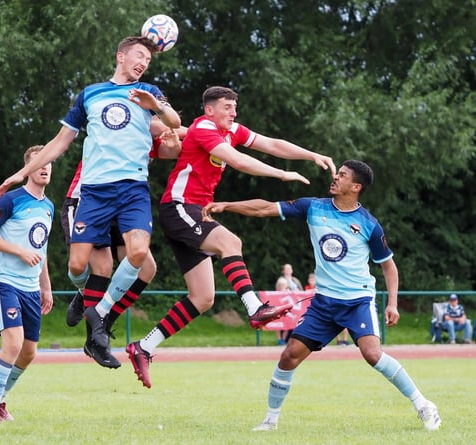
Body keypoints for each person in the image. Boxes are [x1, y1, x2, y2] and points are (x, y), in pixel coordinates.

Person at [202, 159, 441, 432]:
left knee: (372, 354)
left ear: (356, 186)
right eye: (337, 173)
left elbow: (388, 265)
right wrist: (227, 206)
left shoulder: (369, 225)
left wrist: (394, 304)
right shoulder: (313, 207)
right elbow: (265, 208)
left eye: (342, 175)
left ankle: (424, 405)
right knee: (289, 356)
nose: (335, 177)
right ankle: (270, 420)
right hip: (324, 303)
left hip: (357, 301)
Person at [124, 85, 336, 388]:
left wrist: (311, 154)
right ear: (209, 109)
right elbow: (238, 161)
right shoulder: (204, 127)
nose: (233, 113)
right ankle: (254, 307)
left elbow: (272, 144)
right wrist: (283, 174)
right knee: (231, 243)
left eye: (235, 107)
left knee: (203, 298)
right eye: (227, 106)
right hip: (180, 207)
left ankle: (144, 347)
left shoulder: (230, 129)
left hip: (195, 212)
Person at [0, 36, 181, 361]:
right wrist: (20, 174)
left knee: (139, 254)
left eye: (148, 60)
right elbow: (59, 142)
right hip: (94, 191)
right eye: (138, 56)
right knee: (78, 265)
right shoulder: (90, 94)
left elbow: (174, 123)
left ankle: (100, 319)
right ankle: (87, 301)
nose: (143, 63)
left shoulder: (148, 92)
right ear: (120, 55)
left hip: (133, 187)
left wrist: (157, 106)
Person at [62, 121, 184, 368]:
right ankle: (85, 296)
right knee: (94, 267)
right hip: (90, 200)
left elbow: (176, 142)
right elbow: (167, 126)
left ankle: (100, 330)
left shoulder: (150, 140)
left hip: (122, 207)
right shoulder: (120, 123)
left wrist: (180, 141)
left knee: (147, 268)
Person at [0, 145, 54, 422]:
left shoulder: (49, 207)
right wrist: (18, 251)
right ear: (28, 169)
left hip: (32, 288)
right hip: (5, 282)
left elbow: (40, 249)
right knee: (13, 343)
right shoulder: (10, 200)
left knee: (29, 352)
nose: (44, 167)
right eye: (38, 163)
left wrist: (46, 285)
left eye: (48, 163)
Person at [275, 264, 302, 344]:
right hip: (283, 304)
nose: (289, 270)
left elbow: (301, 290)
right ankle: (280, 340)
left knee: (293, 320)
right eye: (287, 269)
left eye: (290, 268)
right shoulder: (281, 280)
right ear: (283, 271)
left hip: (295, 305)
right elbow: (279, 292)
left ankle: (292, 338)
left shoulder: (295, 280)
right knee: (281, 320)